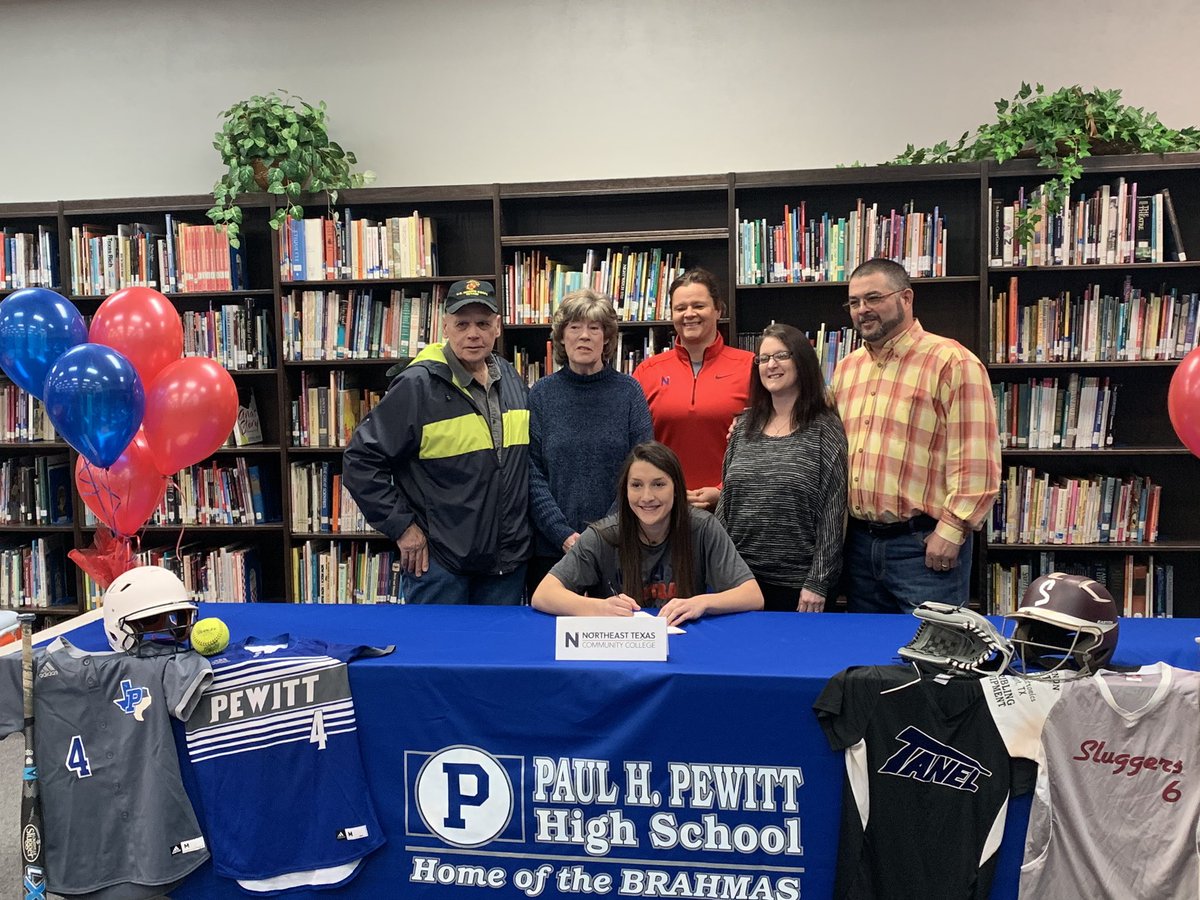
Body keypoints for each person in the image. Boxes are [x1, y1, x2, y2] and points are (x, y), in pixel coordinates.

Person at [342, 279, 530, 604]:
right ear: (445, 327)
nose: (473, 334)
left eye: (483, 323)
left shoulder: (510, 378)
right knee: (437, 641)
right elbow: (360, 460)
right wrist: (402, 527)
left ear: (497, 326)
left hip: (505, 565)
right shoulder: (418, 384)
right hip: (440, 566)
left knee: (499, 641)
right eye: (462, 324)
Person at [831, 258, 1000, 612]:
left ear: (906, 298)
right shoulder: (847, 369)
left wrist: (952, 530)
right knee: (867, 647)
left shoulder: (952, 361)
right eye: (854, 302)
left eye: (873, 298)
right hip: (859, 546)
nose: (862, 310)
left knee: (932, 643)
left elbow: (976, 458)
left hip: (923, 545)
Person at [531, 441, 763, 627]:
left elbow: (752, 596)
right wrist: (599, 608)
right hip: (619, 649)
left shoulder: (703, 528)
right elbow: (543, 595)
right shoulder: (603, 535)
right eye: (636, 485)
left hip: (685, 644)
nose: (647, 497)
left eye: (658, 484)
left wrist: (701, 603)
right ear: (625, 490)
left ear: (677, 489)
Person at [526, 289, 654, 594]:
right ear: (561, 337)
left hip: (617, 546)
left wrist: (602, 534)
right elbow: (531, 473)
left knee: (615, 623)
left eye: (594, 328)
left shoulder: (629, 393)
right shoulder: (541, 394)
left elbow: (642, 469)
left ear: (606, 339)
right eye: (574, 327)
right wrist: (562, 534)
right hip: (552, 549)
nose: (584, 336)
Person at [718, 324, 847, 612]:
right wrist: (720, 569)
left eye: (781, 356)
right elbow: (726, 503)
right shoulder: (743, 427)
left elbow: (833, 511)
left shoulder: (824, 428)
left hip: (800, 587)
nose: (771, 365)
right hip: (741, 581)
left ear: (801, 361)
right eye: (763, 359)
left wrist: (818, 582)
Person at [632, 268, 754, 511]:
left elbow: (766, 444)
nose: (689, 314)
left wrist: (723, 490)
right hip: (663, 509)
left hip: (734, 507)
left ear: (718, 310)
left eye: (698, 306)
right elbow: (635, 448)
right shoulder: (647, 372)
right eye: (680, 308)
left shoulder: (750, 367)